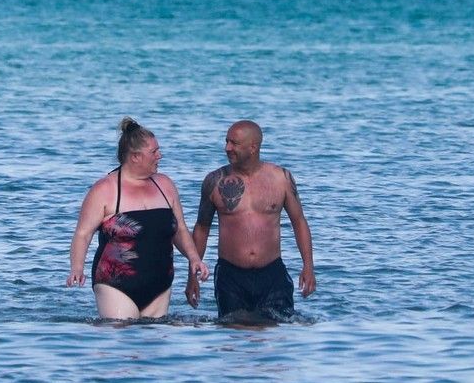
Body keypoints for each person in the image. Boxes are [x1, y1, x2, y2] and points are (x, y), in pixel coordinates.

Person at [68, 118, 210, 319]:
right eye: (154, 152)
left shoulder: (165, 185)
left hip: (160, 283)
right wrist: (77, 267)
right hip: (116, 284)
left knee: (155, 336)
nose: (160, 156)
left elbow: (179, 230)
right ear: (135, 156)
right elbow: (83, 234)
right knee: (121, 333)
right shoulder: (105, 189)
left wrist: (194, 258)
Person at [185, 120, 316, 320]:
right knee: (233, 330)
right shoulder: (214, 181)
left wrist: (308, 266)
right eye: (226, 141)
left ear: (253, 147)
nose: (227, 148)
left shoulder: (281, 178)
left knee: (275, 330)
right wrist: (191, 277)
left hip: (272, 272)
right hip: (230, 276)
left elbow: (299, 222)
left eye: (234, 143)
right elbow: (202, 228)